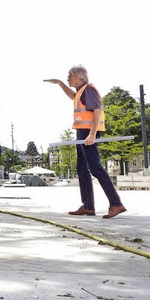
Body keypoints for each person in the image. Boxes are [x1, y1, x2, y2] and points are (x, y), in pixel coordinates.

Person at [46, 65, 126, 218]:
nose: (68, 78)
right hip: (82, 132)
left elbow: (97, 110)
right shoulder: (80, 92)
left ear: (80, 77)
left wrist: (92, 134)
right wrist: (60, 84)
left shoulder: (88, 89)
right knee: (82, 169)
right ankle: (88, 206)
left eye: (70, 75)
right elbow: (73, 97)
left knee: (95, 168)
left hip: (88, 133)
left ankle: (116, 203)